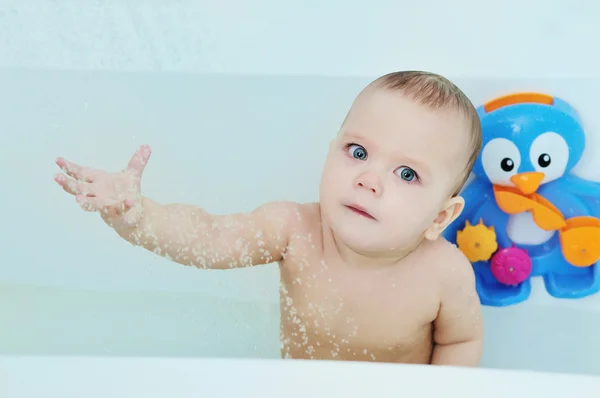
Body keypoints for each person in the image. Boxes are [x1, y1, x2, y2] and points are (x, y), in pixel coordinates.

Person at [54, 70, 484, 366]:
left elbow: (460, 341)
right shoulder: (293, 229)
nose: (369, 179)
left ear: (440, 216)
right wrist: (137, 216)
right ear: (331, 150)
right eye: (358, 152)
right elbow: (210, 238)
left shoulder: (444, 273)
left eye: (406, 174)